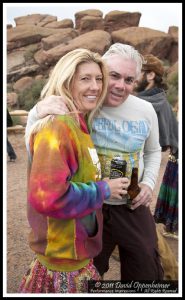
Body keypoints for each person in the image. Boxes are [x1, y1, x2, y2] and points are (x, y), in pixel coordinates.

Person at [26, 43, 164, 281]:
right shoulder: (84, 105)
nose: (120, 86)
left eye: (129, 80)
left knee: (146, 272)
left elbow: (154, 151)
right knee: (90, 275)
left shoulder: (146, 110)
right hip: (90, 208)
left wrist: (149, 183)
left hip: (130, 204)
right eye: (113, 76)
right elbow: (41, 143)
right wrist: (35, 112)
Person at [19, 48, 129, 293]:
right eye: (85, 79)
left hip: (75, 256)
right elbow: (49, 197)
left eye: (99, 78)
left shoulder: (79, 122)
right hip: (62, 263)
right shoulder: (59, 126)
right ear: (67, 82)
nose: (95, 87)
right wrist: (103, 189)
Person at [135, 54, 178, 239]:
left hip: (139, 174)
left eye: (139, 72)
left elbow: (156, 148)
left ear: (150, 75)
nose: (135, 77)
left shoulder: (151, 105)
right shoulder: (161, 102)